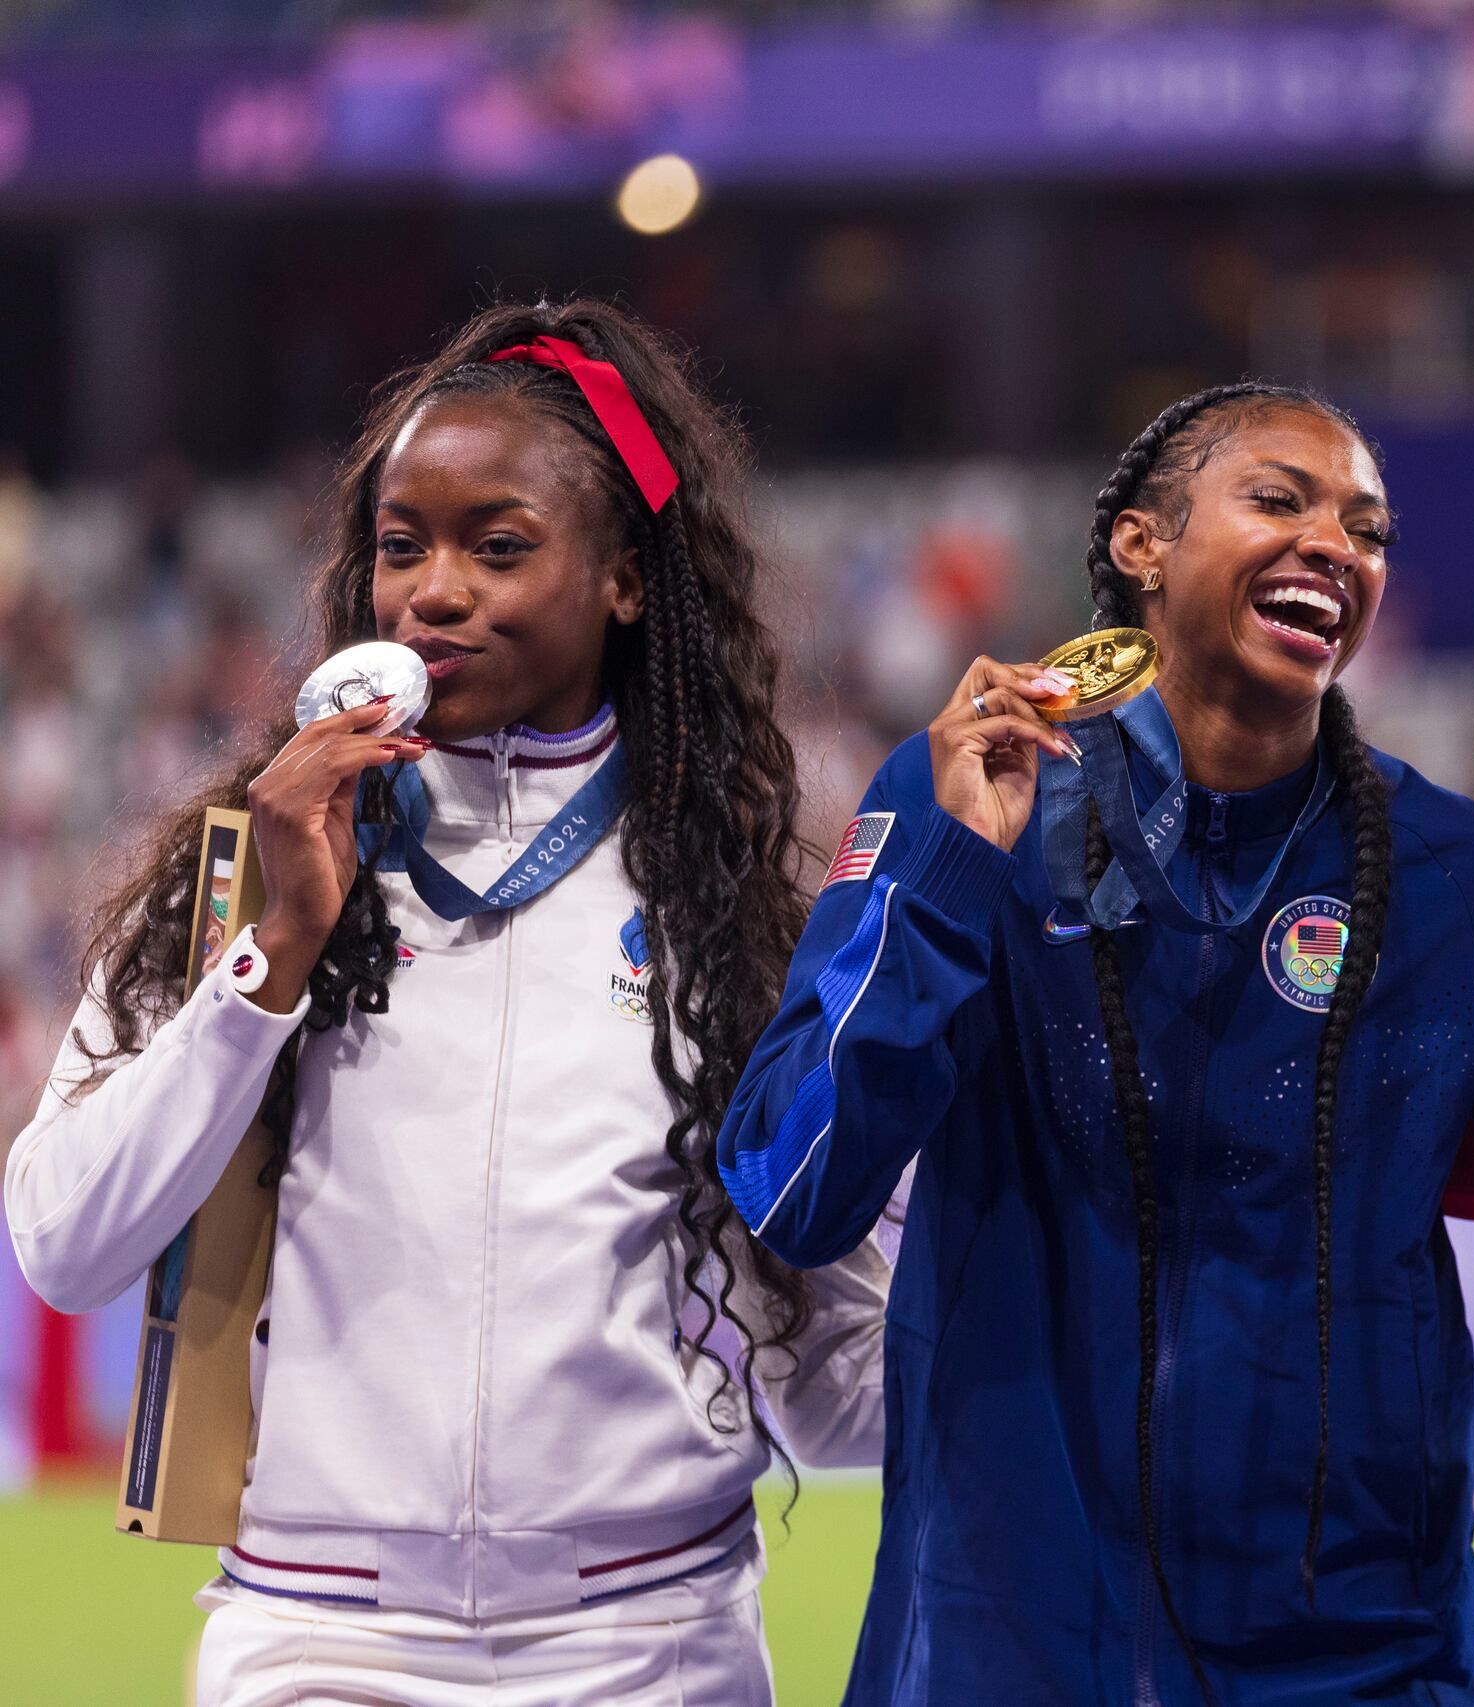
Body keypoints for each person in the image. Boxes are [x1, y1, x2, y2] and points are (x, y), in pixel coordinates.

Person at [6, 302, 894, 1705]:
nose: (434, 590)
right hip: (318, 1643)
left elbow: (834, 1389)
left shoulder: (734, 919)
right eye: (402, 545)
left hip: (651, 1645)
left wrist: (1037, 1300)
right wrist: (270, 964)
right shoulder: (244, 868)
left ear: (624, 580)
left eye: (499, 546)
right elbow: (63, 1243)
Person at [717, 382, 1474, 1705]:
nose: (1336, 544)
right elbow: (794, 1186)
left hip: (1352, 1657)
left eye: (1368, 529)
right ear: (1143, 546)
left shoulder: (1462, 879)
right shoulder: (972, 802)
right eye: (1280, 498)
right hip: (1003, 1644)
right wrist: (947, 872)